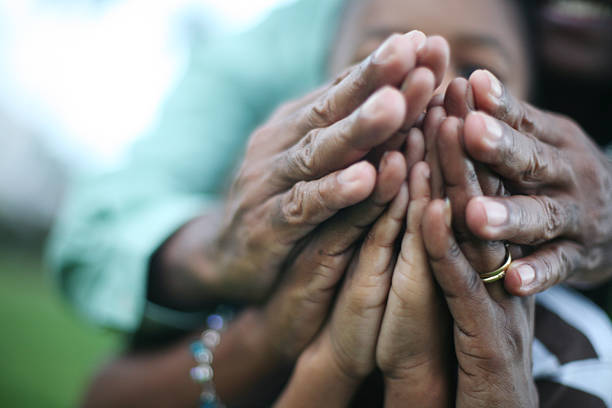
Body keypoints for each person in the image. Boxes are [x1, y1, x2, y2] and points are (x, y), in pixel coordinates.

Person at [46, 0, 612, 406]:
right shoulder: (264, 293)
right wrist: (266, 334)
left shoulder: (570, 355)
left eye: (475, 73)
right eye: (387, 68)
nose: (430, 95)